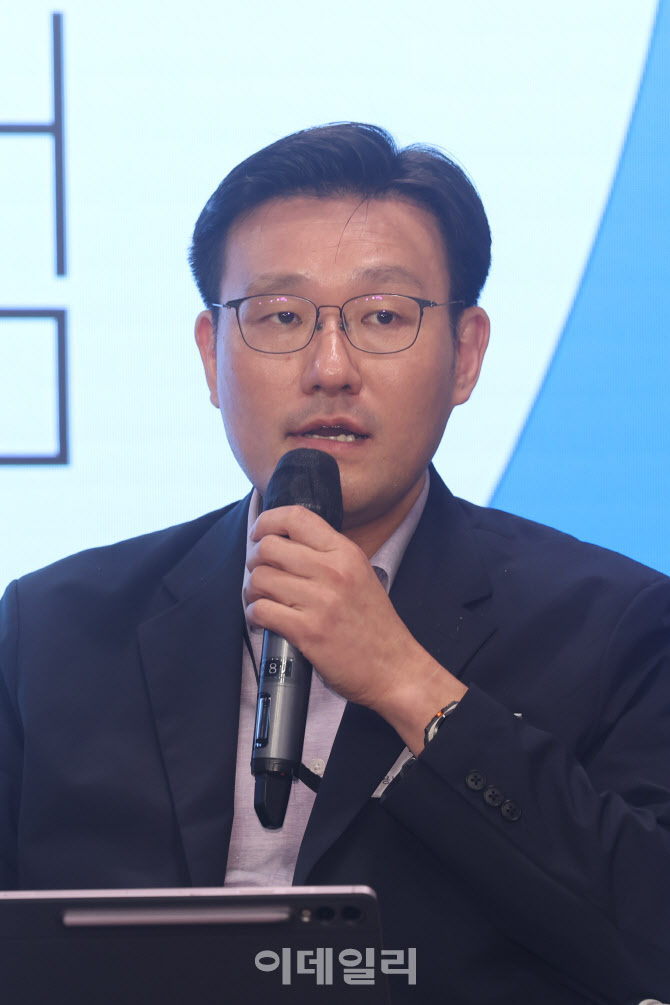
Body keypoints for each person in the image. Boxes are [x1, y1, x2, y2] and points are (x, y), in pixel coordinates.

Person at [1, 122, 669, 1005]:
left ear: (466, 354)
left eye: (382, 316)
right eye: (281, 316)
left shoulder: (614, 625)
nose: (330, 367)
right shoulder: (53, 629)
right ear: (211, 356)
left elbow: (651, 933)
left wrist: (406, 680)